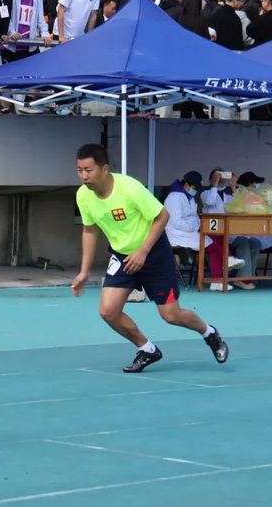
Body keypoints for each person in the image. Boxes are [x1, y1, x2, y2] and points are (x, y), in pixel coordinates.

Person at [72, 144, 230, 373]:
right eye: (79, 170)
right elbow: (89, 230)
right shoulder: (83, 196)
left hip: (153, 253)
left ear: (104, 169)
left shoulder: (129, 188)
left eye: (89, 170)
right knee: (108, 311)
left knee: (171, 315)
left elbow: (162, 216)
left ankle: (210, 333)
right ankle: (147, 349)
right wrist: (84, 271)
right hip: (122, 256)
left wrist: (143, 251)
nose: (84, 176)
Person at [164, 170, 246, 291]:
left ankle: (218, 277)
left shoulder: (189, 198)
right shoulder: (175, 197)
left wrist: (195, 224)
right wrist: (194, 225)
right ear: (186, 185)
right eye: (194, 188)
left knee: (215, 240)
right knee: (212, 244)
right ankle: (224, 265)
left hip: (189, 232)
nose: (195, 191)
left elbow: (195, 218)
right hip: (177, 234)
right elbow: (176, 222)